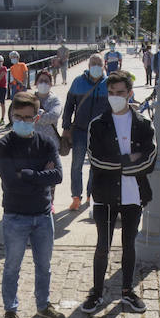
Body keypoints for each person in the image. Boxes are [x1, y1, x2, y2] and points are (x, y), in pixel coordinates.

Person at [82, 72, 155, 315]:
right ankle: (97, 292)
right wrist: (129, 160)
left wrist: (119, 163)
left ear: (130, 93)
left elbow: (150, 160)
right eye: (111, 93)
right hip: (104, 194)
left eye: (120, 92)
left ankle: (127, 290)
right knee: (102, 245)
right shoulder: (98, 124)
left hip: (134, 194)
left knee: (129, 244)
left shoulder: (144, 123)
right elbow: (96, 160)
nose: (115, 97)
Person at [0, 92, 68, 318]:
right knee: (12, 266)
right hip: (15, 215)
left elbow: (57, 175)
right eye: (18, 116)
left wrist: (27, 173)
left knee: (44, 266)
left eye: (28, 117)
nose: (23, 121)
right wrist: (40, 174)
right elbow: (10, 182)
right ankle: (10, 309)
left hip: (43, 215)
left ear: (36, 118)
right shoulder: (3, 145)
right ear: (11, 115)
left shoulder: (46, 143)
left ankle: (43, 305)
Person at [62, 53, 110, 211]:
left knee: (95, 166)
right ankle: (76, 197)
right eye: (93, 63)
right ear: (88, 66)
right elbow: (69, 106)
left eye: (99, 63)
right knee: (76, 165)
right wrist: (66, 126)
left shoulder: (109, 84)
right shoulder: (78, 82)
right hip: (80, 131)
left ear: (104, 65)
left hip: (100, 133)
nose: (96, 66)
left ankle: (91, 194)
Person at [33, 69, 63, 154]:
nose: (43, 83)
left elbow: (53, 116)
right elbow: (22, 117)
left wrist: (35, 116)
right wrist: (42, 114)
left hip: (51, 144)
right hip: (33, 144)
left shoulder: (55, 100)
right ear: (36, 83)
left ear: (51, 84)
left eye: (46, 81)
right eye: (41, 81)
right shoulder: (29, 99)